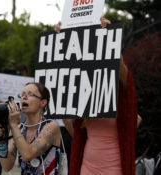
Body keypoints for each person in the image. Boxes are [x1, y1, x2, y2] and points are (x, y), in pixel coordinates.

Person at [55, 17, 141, 175]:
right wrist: (65, 39)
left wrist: (107, 38)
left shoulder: (124, 102)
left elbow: (121, 68)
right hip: (86, 169)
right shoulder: (86, 101)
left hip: (115, 170)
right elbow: (76, 135)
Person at [0, 82, 62, 175]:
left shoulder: (51, 126)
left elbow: (27, 155)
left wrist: (13, 124)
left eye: (30, 94)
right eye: (22, 95)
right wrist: (0, 141)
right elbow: (6, 166)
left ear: (43, 102)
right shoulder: (19, 129)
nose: (24, 97)